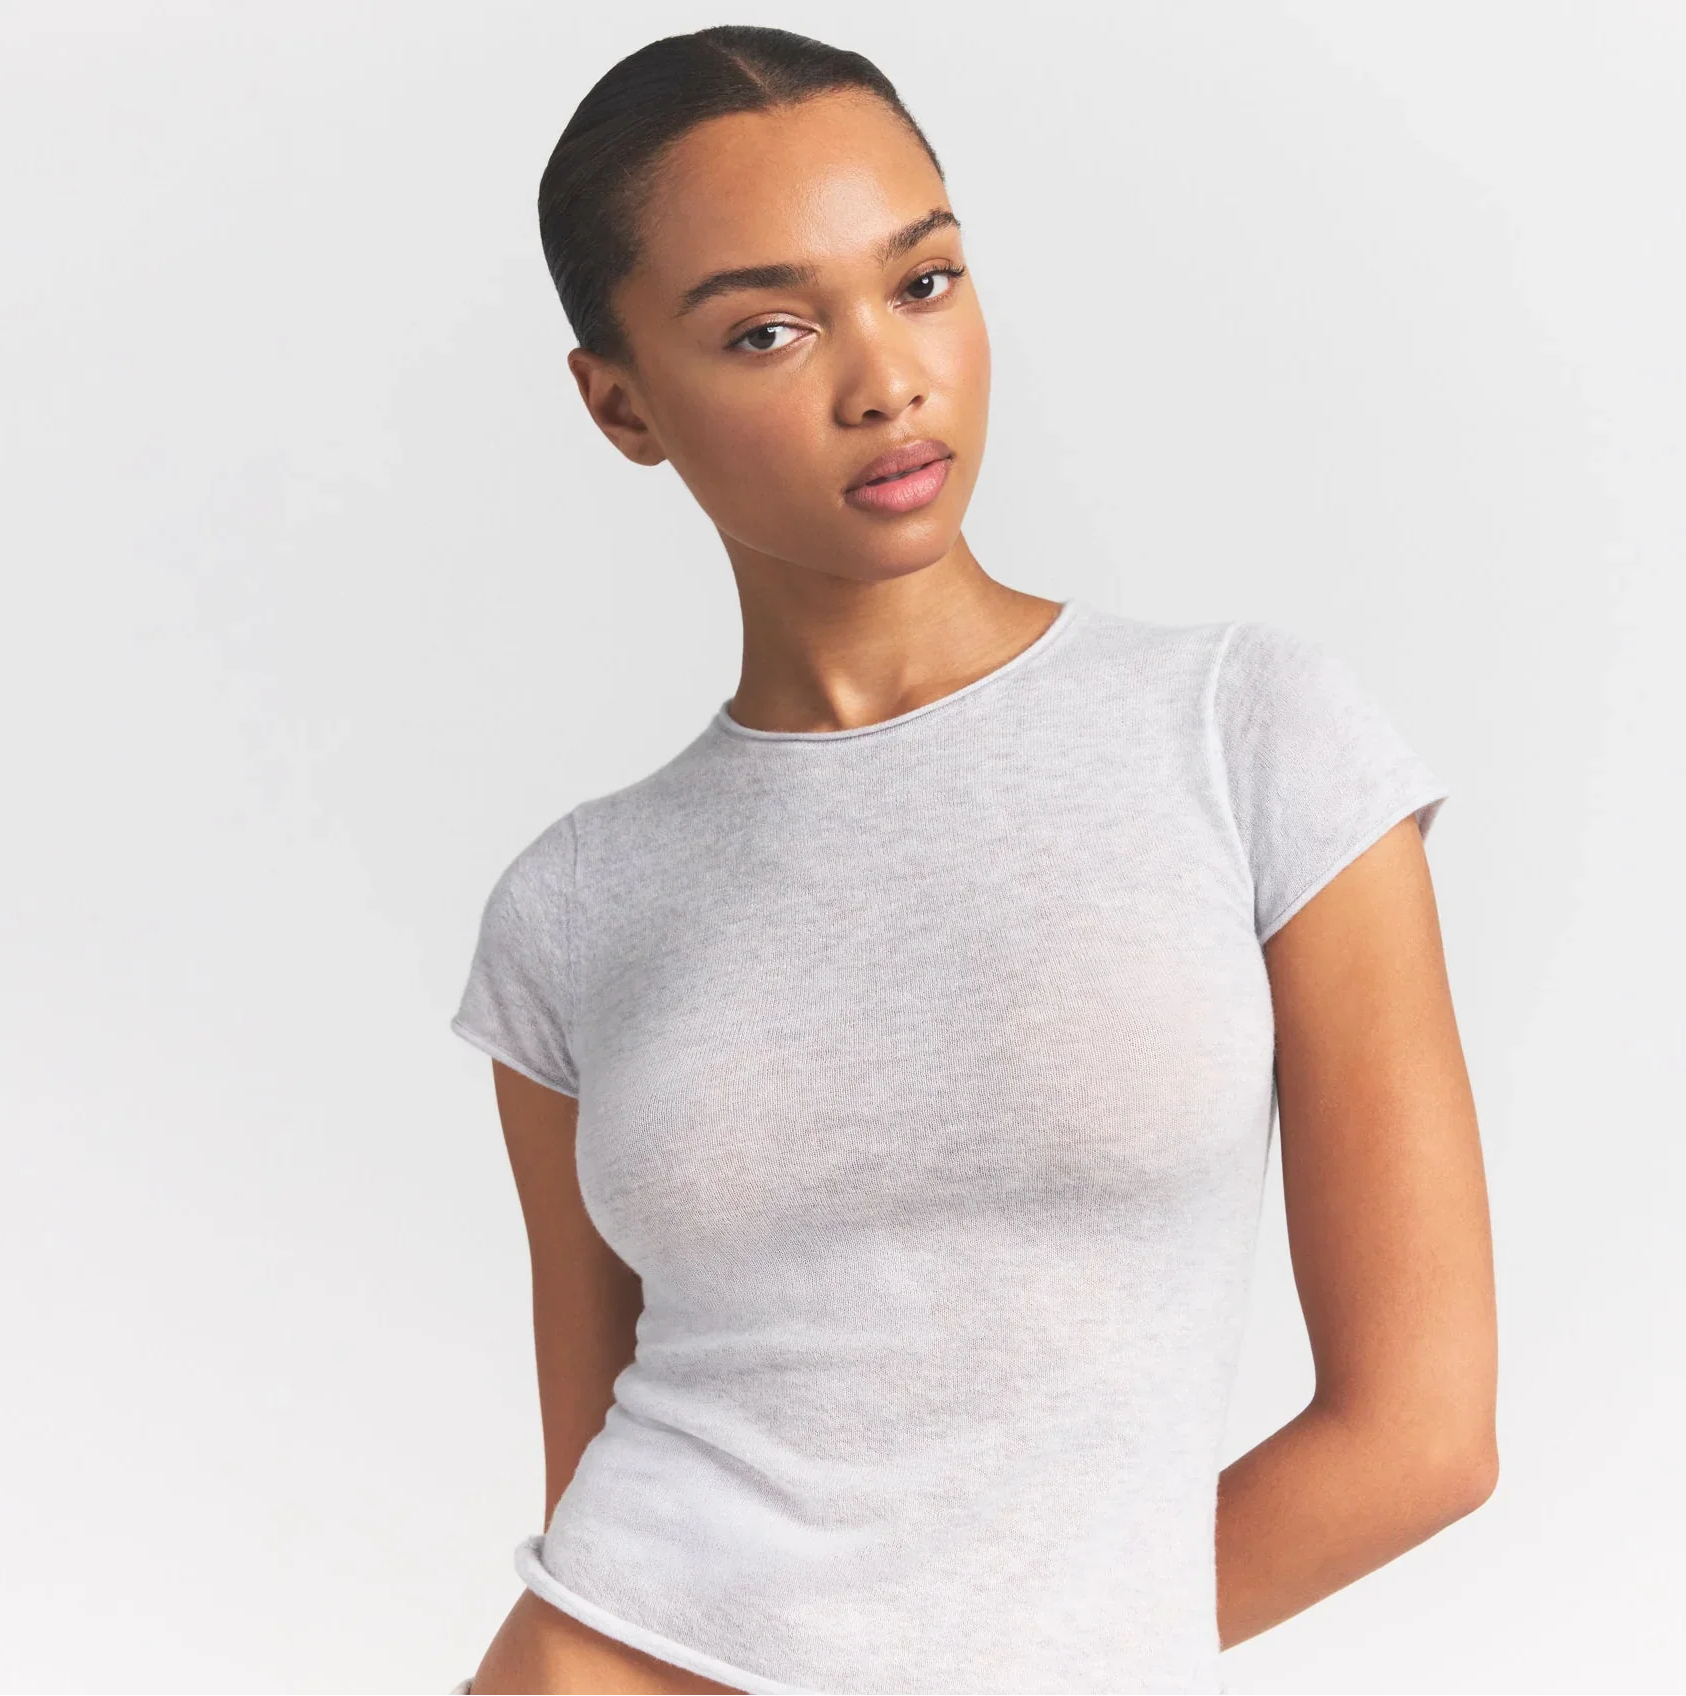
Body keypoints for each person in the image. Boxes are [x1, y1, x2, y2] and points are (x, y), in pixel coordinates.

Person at [445, 24, 1498, 1696]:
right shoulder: (573, 908)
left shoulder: (1246, 736)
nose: (885, 382)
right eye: (770, 330)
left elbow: (1422, 1439)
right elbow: (595, 1493)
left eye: (922, 282)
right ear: (621, 404)